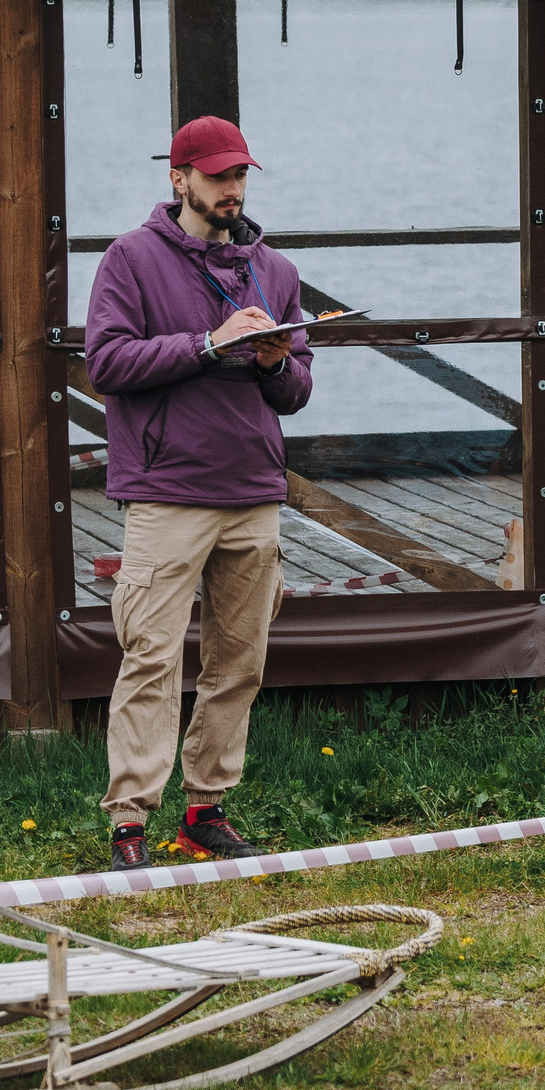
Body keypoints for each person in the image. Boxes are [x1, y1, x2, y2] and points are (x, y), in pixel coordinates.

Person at [84, 116, 313, 870]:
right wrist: (210, 344)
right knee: (150, 658)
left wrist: (275, 361)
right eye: (217, 176)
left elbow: (297, 392)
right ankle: (129, 824)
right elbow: (106, 364)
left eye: (239, 175)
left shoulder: (274, 270)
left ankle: (205, 811)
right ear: (179, 178)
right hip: (167, 492)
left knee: (240, 663)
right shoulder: (130, 258)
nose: (231, 189)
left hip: (253, 491)